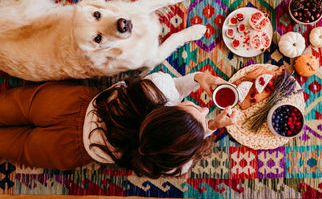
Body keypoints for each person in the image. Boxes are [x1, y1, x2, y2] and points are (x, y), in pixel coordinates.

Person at [0, 71, 238, 178]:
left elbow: (174, 88)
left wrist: (198, 77)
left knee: (10, 105)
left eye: (195, 108)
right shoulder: (171, 163)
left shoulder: (155, 90)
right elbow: (181, 150)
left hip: (65, 105)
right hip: (66, 150)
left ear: (168, 111)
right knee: (8, 145)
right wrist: (211, 126)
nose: (205, 107)